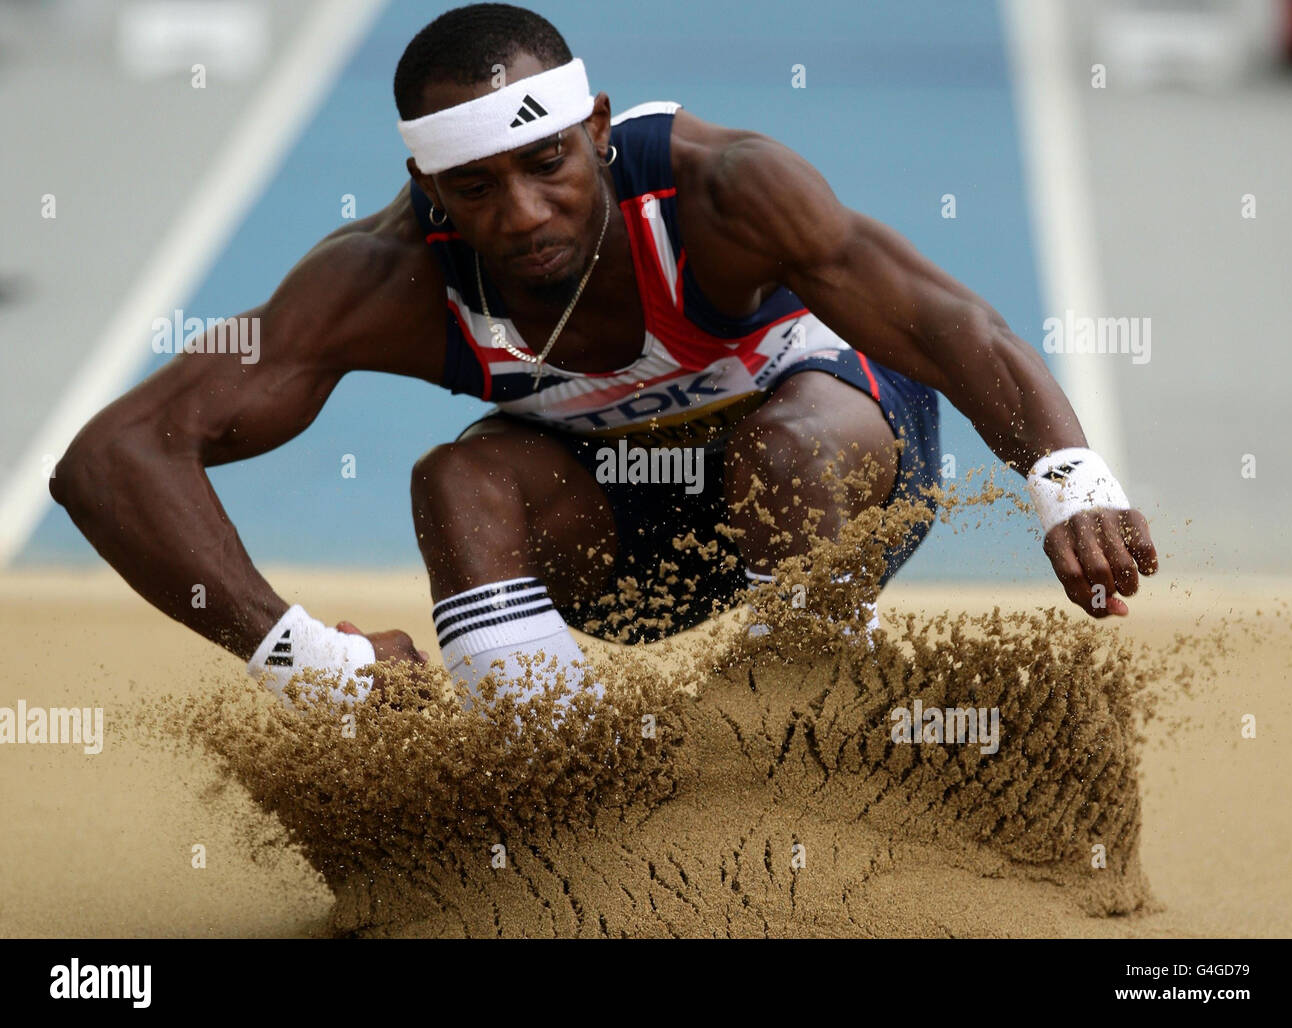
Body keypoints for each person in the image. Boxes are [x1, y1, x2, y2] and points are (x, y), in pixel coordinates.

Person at [50, 3, 1157, 707]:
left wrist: (1066, 475)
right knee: (455, 478)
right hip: (629, 547)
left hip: (841, 478)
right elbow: (112, 457)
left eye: (548, 166)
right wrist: (297, 657)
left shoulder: (722, 187)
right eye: (476, 190)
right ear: (430, 192)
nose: (525, 215)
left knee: (789, 438)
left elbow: (947, 321)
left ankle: (809, 695)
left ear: (596, 129)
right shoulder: (386, 277)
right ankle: (558, 763)